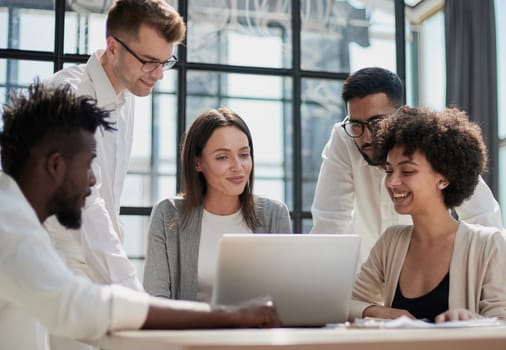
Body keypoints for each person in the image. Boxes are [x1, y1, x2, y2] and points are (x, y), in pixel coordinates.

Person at [0, 82, 280, 350]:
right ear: (55, 166)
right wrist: (229, 317)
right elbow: (80, 306)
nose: (92, 183)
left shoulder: (20, 222)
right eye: (88, 166)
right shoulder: (8, 226)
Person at [44, 0, 186, 290]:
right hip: (57, 263)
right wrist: (130, 291)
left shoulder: (127, 93)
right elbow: (86, 204)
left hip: (96, 261)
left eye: (165, 62)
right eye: (149, 61)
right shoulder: (68, 97)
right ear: (113, 47)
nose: (158, 74)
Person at [310, 67, 503, 263]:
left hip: (430, 273)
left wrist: (488, 272)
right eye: (356, 124)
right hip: (364, 277)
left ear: (403, 113)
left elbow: (482, 215)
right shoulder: (346, 138)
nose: (366, 137)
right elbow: (330, 221)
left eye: (376, 122)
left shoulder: (433, 138)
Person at [349, 107, 506, 322]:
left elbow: (501, 325)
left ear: (444, 178)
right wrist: (378, 311)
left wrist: (473, 321)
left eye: (407, 171)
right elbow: (349, 302)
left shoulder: (489, 244)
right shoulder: (391, 242)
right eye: (388, 171)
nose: (392, 182)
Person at [143, 108, 292, 301]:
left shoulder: (274, 215)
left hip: (257, 331)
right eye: (222, 157)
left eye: (244, 154)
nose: (238, 166)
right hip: (191, 331)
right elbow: (156, 302)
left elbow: (286, 299)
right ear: (198, 163)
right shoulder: (168, 214)